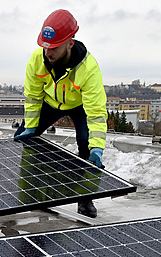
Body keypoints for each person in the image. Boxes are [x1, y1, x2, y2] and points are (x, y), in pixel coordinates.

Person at [14, 9, 107, 218]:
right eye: (45, 47)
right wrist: (30, 125)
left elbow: (96, 113)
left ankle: (85, 198)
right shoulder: (38, 59)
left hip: (79, 106)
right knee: (25, 140)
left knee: (87, 147)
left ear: (70, 43)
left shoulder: (89, 69)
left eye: (54, 47)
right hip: (49, 103)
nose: (48, 53)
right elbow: (32, 96)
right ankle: (31, 194)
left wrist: (97, 147)